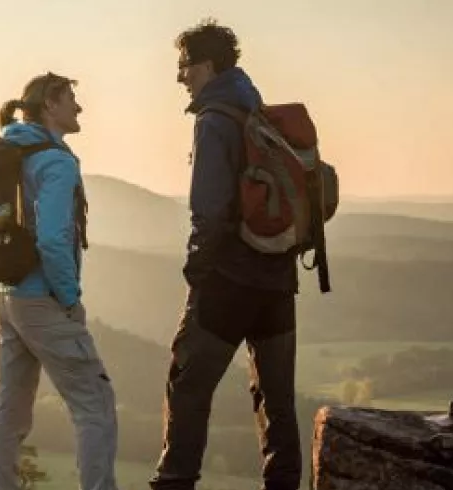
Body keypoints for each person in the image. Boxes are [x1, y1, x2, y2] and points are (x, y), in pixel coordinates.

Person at [149, 19, 302, 490]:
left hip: (228, 281)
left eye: (184, 66)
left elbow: (210, 210)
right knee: (276, 400)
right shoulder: (257, 112)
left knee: (188, 387)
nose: (179, 76)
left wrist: (198, 268)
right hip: (278, 278)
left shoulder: (214, 120)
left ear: (207, 65)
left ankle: (175, 483)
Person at [0, 72, 119, 490]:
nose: (79, 107)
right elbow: (54, 239)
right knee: (95, 404)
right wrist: (70, 298)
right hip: (42, 298)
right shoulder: (56, 161)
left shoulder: (11, 148)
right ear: (50, 106)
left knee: (9, 407)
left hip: (6, 294)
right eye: (72, 99)